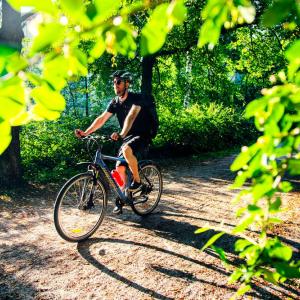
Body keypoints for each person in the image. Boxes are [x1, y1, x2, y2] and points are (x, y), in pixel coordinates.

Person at [75, 70, 153, 214]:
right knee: (119, 168)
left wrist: (121, 134)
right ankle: (122, 197)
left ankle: (137, 181)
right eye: (114, 82)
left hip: (143, 134)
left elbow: (131, 116)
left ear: (127, 84)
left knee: (126, 150)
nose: (115, 85)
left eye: (118, 82)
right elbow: (102, 118)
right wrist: (86, 132)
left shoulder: (137, 99)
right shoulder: (115, 102)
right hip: (128, 136)